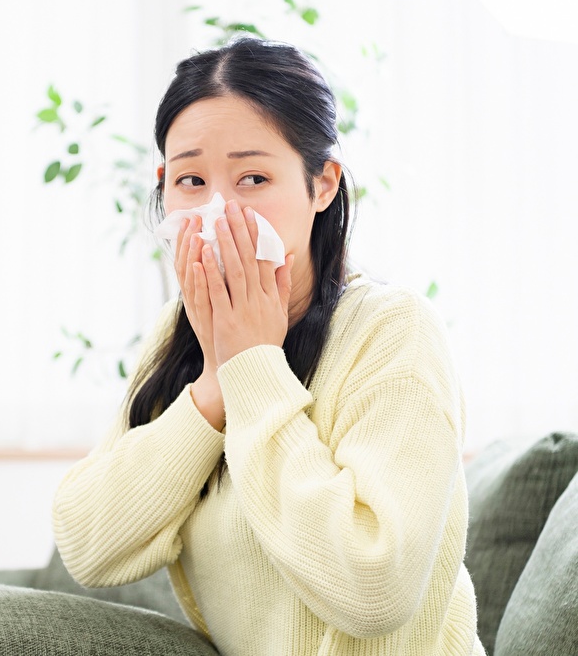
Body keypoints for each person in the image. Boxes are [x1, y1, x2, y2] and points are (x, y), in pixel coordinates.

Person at [51, 37, 483, 656]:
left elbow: (374, 589)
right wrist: (216, 385)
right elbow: (88, 543)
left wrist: (254, 364)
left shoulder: (395, 331)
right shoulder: (183, 335)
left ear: (322, 185)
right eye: (191, 179)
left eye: (253, 177)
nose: (219, 209)